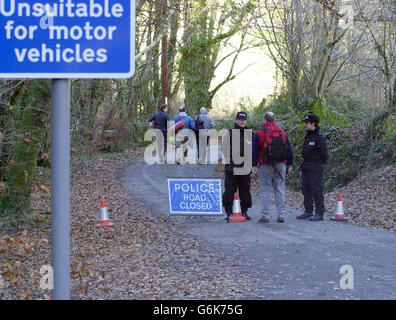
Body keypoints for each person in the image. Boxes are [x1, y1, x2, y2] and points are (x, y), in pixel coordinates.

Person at [252, 112, 293, 223]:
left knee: (265, 190)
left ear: (264, 119)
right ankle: (281, 215)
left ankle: (265, 216)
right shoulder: (282, 132)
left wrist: (254, 165)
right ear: (274, 119)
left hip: (265, 164)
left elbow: (254, 150)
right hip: (280, 164)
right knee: (280, 189)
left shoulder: (259, 133)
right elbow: (289, 148)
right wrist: (290, 164)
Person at [296, 114, 328, 221]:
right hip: (306, 167)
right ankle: (308, 211)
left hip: (315, 167)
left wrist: (318, 164)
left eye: (307, 123)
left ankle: (319, 212)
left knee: (317, 190)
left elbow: (324, 154)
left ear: (313, 123)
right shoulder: (307, 136)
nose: (305, 125)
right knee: (306, 190)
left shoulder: (319, 138)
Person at [222, 111, 252, 222]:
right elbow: (224, 149)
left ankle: (244, 211)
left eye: (244, 119)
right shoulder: (229, 133)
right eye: (240, 119)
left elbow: (253, 150)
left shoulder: (250, 134)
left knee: (245, 191)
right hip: (232, 169)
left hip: (245, 169)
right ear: (236, 120)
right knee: (229, 191)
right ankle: (228, 212)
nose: (242, 121)